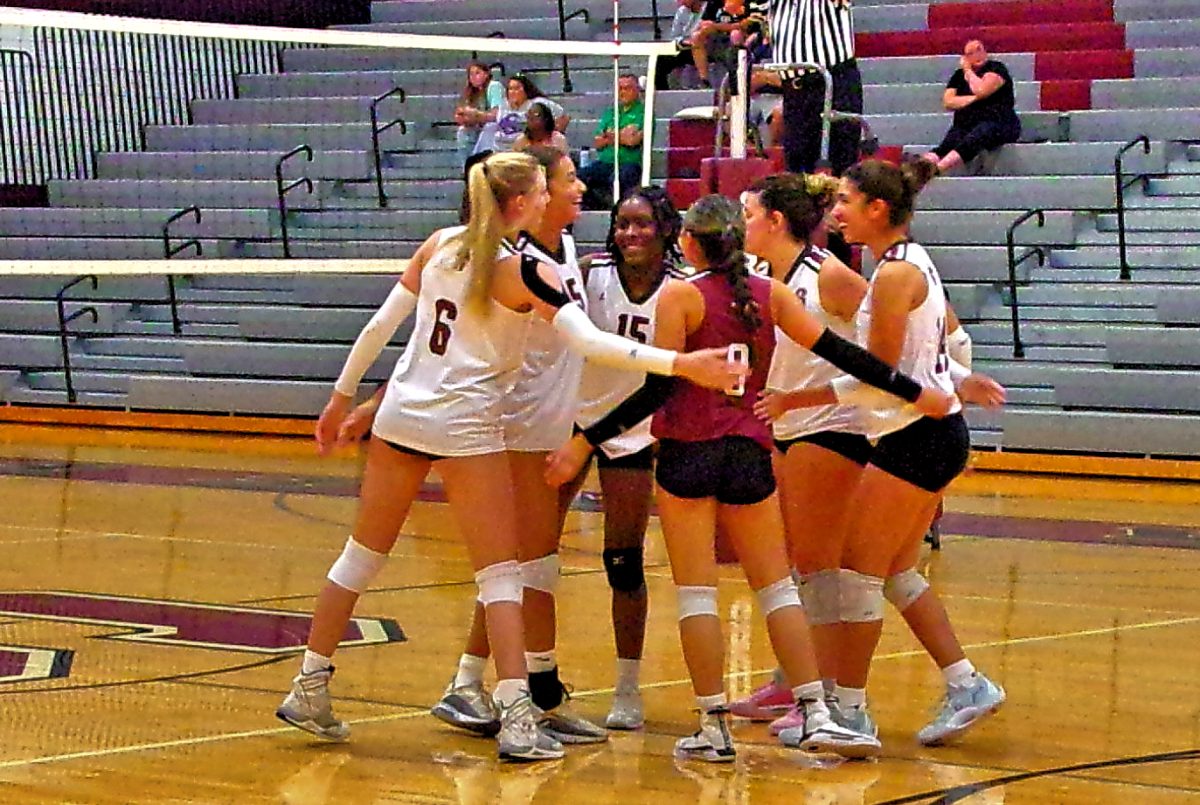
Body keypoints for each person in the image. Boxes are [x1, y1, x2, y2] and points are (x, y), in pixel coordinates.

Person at [274, 152, 743, 763]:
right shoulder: (521, 270)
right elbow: (593, 341)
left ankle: (309, 685)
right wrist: (683, 364)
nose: (554, 196)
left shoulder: (440, 243)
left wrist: (342, 400)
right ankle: (518, 715)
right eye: (547, 187)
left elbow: (379, 328)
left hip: (402, 420)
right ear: (520, 202)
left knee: (359, 559)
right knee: (501, 574)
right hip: (467, 425)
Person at [546, 194, 961, 763]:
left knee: (697, 593)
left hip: (689, 456)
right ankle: (819, 711)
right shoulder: (773, 294)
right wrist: (917, 391)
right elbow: (849, 355)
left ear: (688, 242)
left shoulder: (680, 294)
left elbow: (659, 386)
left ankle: (713, 724)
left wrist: (586, 439)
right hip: (750, 455)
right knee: (778, 589)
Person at [732, 173, 1005, 744]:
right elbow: (907, 363)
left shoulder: (888, 274)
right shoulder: (906, 261)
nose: (839, 215)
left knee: (856, 575)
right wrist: (955, 378)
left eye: (850, 204)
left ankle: (847, 712)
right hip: (923, 430)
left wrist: (800, 398)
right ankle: (967, 682)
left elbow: (879, 375)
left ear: (879, 209)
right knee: (896, 574)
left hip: (913, 437)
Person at [922, 40, 1021, 175]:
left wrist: (968, 71)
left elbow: (980, 89)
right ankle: (920, 168)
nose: (976, 55)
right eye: (970, 53)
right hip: (966, 123)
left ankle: (938, 169)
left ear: (986, 51)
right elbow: (948, 102)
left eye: (979, 50)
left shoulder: (996, 68)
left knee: (979, 134)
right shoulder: (958, 76)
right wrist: (976, 99)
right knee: (947, 144)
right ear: (965, 58)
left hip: (998, 122)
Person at [579, 73, 646, 211]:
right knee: (580, 177)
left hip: (629, 162)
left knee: (621, 177)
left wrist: (610, 135)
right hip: (606, 162)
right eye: (620, 88)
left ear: (637, 90)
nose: (623, 92)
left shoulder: (644, 112)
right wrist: (621, 135)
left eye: (627, 88)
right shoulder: (610, 112)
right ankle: (597, 205)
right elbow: (597, 142)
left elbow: (633, 140)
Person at [475, 74, 570, 155]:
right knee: (489, 128)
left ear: (526, 90)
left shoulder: (537, 103)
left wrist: (550, 134)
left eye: (517, 88)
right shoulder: (503, 105)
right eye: (510, 89)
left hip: (524, 149)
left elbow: (564, 117)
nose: (513, 92)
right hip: (500, 149)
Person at [454, 61, 504, 164]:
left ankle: (479, 164)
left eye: (477, 73)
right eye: (471, 74)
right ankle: (467, 168)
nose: (473, 77)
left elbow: (496, 115)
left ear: (486, 74)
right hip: (479, 126)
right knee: (463, 132)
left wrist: (476, 114)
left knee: (489, 127)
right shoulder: (472, 92)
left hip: (498, 126)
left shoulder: (494, 86)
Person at [656, 0, 707, 91]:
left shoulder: (709, 9)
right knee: (660, 59)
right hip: (686, 47)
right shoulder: (682, 11)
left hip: (706, 46)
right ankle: (663, 92)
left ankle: (705, 82)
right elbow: (675, 35)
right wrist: (684, 41)